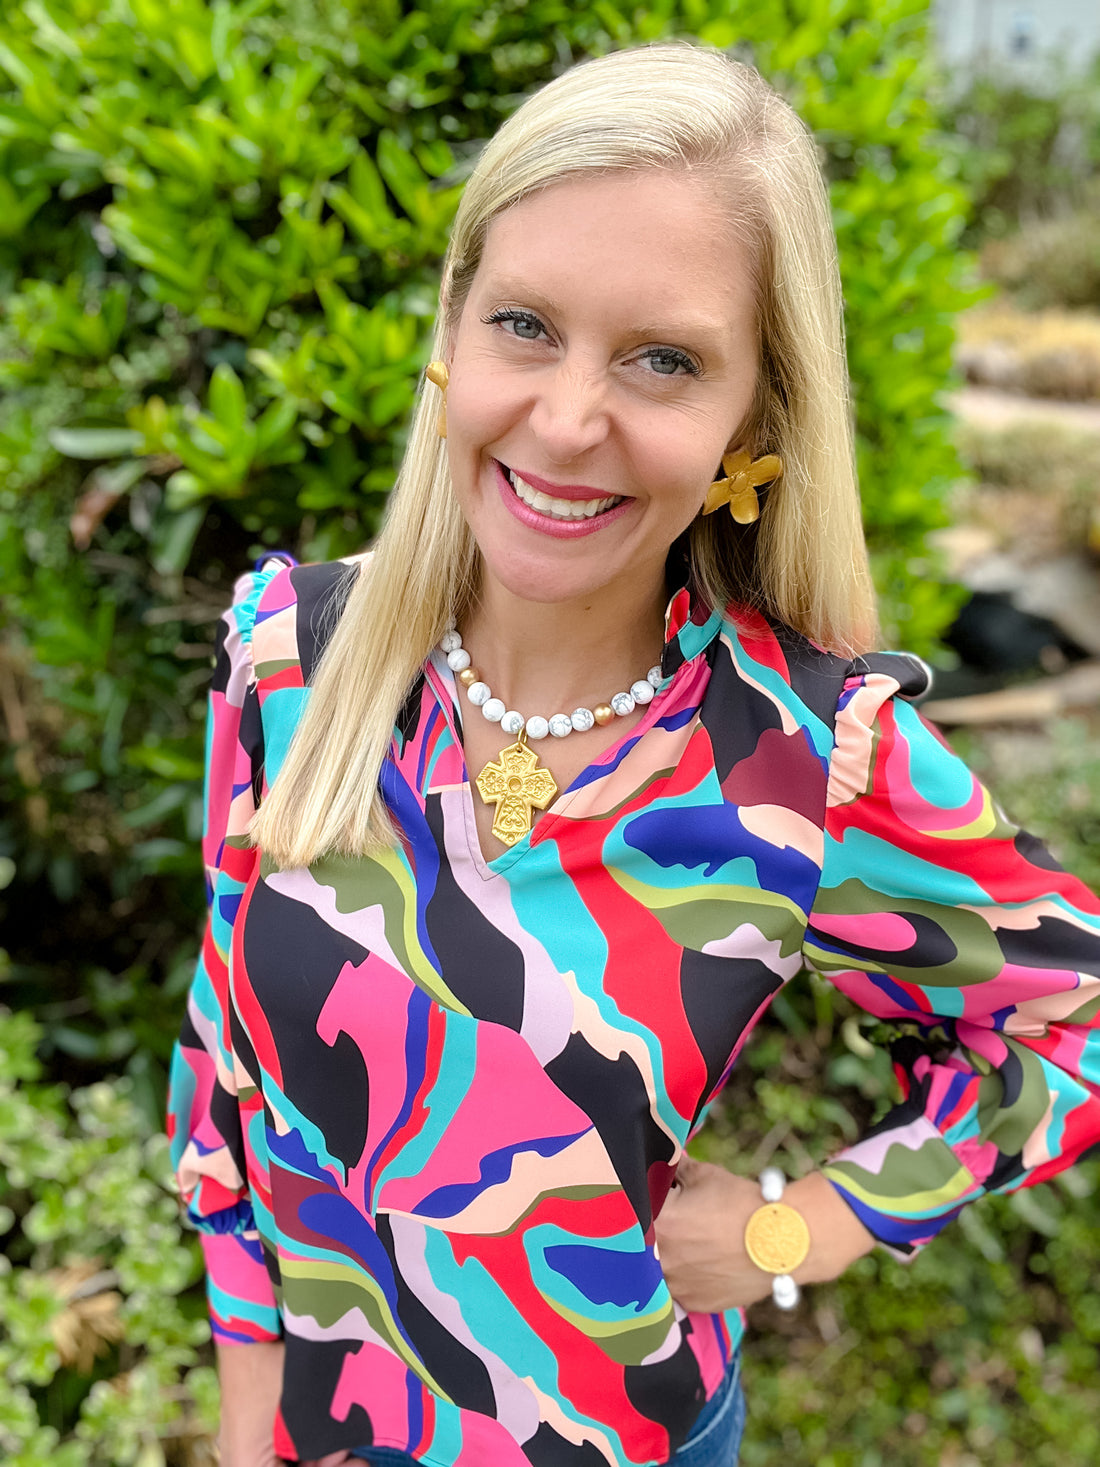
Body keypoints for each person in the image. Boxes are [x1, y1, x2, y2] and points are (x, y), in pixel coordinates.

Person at [168, 41, 1100, 1467]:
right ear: (452, 333)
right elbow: (231, 1084)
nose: (565, 421)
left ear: (754, 427)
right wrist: (247, 1429)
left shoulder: (812, 757)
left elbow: (1073, 1018)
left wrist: (807, 1225)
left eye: (663, 359)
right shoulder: (290, 657)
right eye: (524, 325)